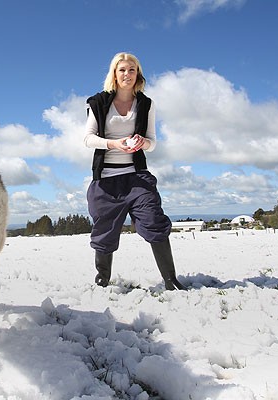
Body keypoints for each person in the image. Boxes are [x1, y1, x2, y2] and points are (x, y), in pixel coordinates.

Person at [84, 52, 187, 290]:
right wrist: (113, 144)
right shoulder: (97, 103)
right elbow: (88, 139)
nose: (127, 74)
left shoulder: (146, 104)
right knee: (104, 232)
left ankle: (171, 281)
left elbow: (153, 142)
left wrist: (143, 142)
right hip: (106, 181)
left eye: (132, 70)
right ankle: (102, 281)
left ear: (137, 74)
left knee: (154, 222)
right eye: (122, 70)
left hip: (137, 177)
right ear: (114, 74)